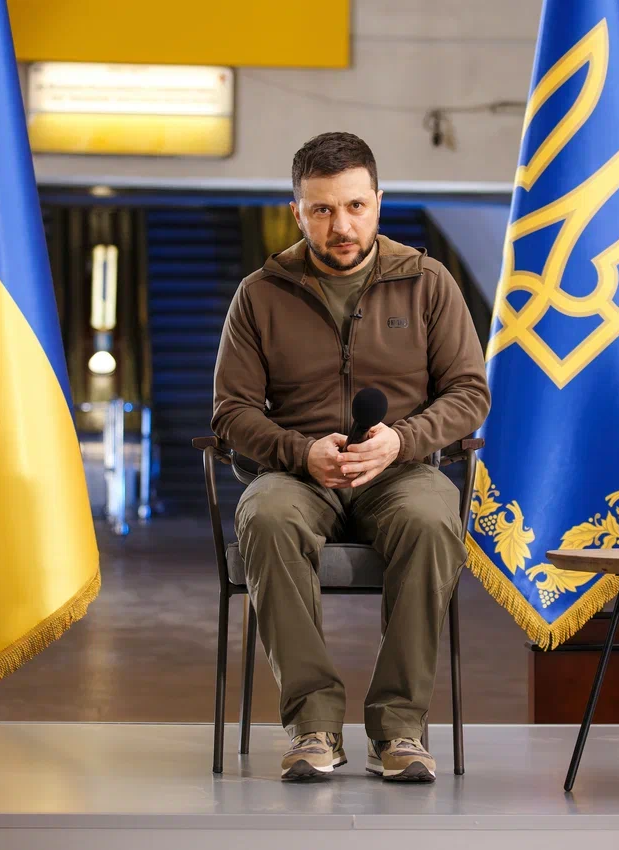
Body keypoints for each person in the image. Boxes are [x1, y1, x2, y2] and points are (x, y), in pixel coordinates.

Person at [211, 132, 490, 782]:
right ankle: (313, 725)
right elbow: (231, 411)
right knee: (266, 515)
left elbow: (470, 393)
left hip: (401, 470)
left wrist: (403, 439)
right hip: (297, 474)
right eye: (323, 210)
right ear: (296, 212)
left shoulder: (427, 282)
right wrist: (300, 451)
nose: (342, 225)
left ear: (378, 202)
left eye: (356, 206)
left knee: (433, 518)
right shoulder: (260, 293)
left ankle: (400, 729)